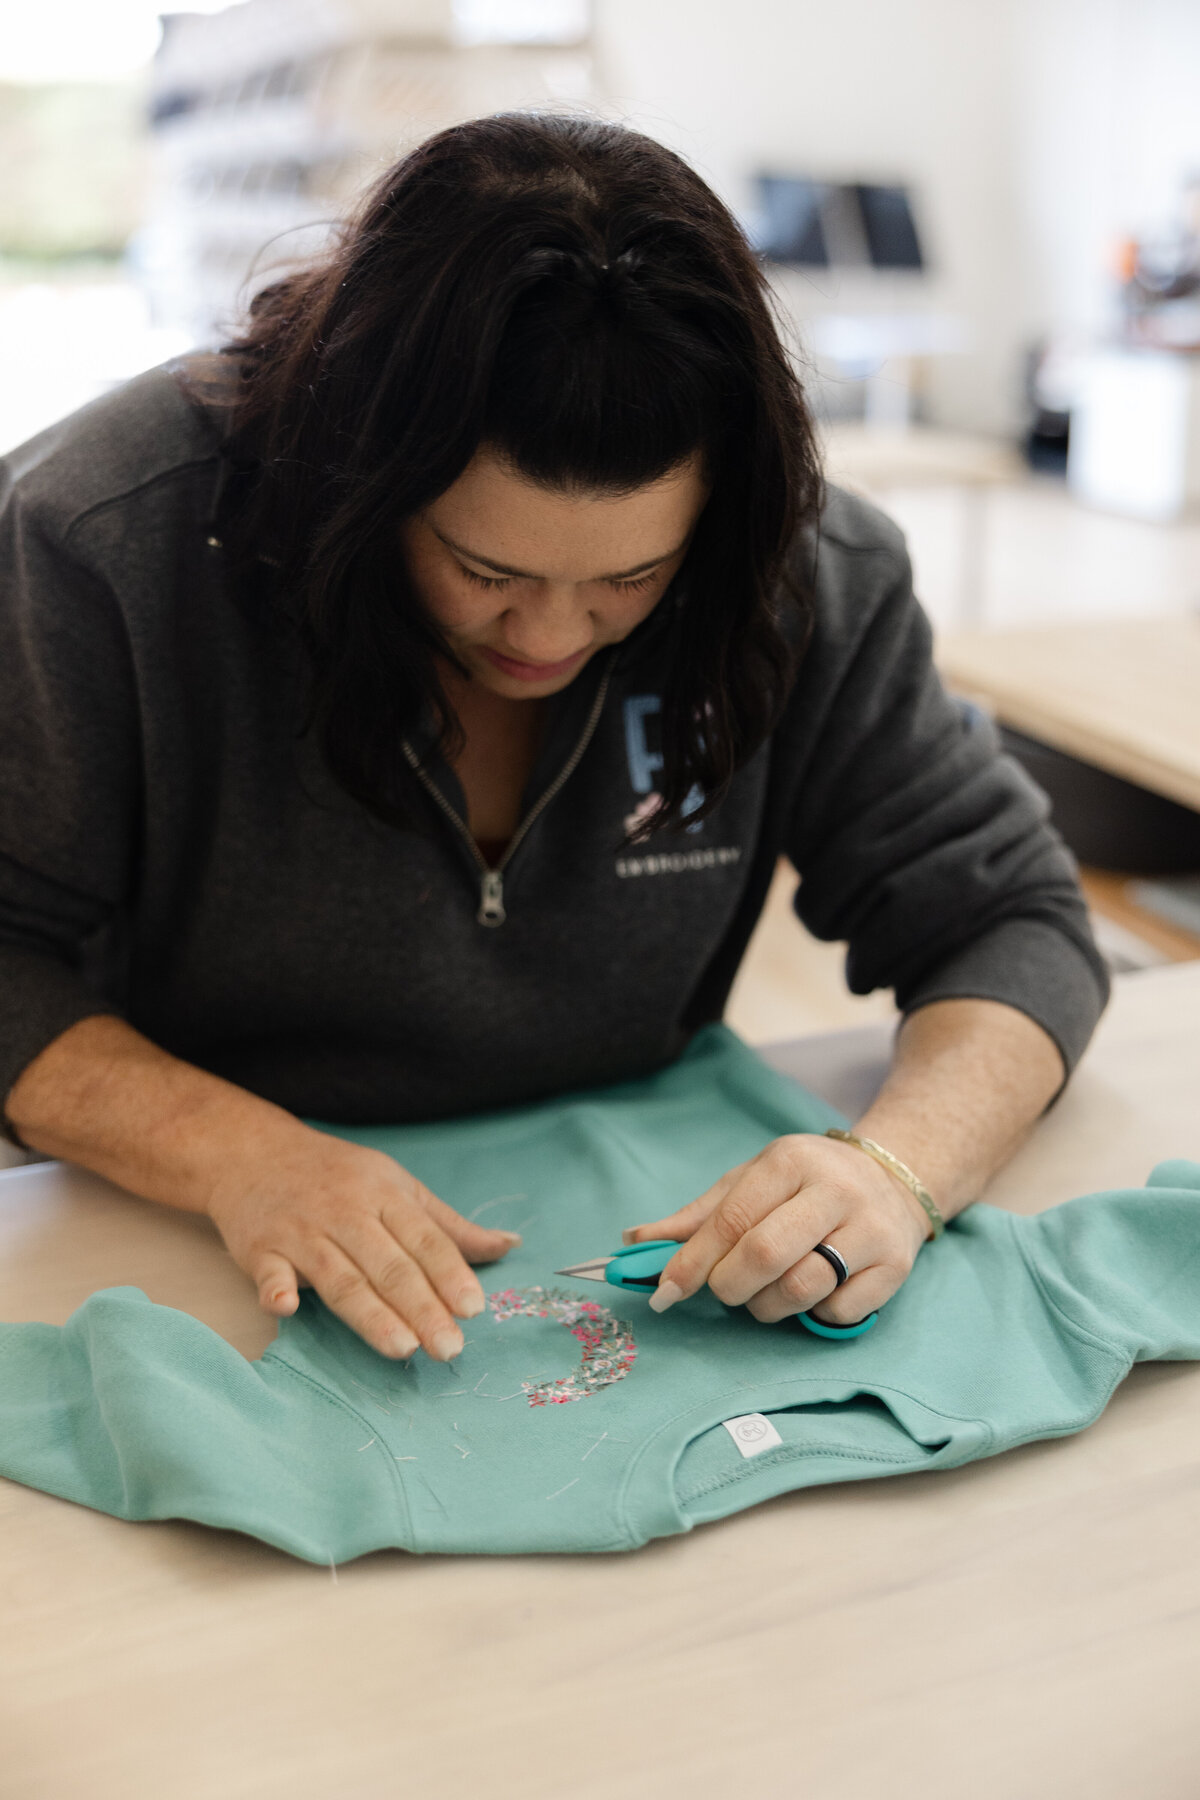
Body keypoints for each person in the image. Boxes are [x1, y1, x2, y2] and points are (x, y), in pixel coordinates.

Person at [0, 113, 1107, 1365]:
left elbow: (1013, 922)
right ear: (366, 481)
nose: (550, 634)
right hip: (178, 1237)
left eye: (633, 578)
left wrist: (900, 1169)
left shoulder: (800, 574)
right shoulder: (105, 539)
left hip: (627, 1216)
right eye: (485, 568)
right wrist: (239, 1154)